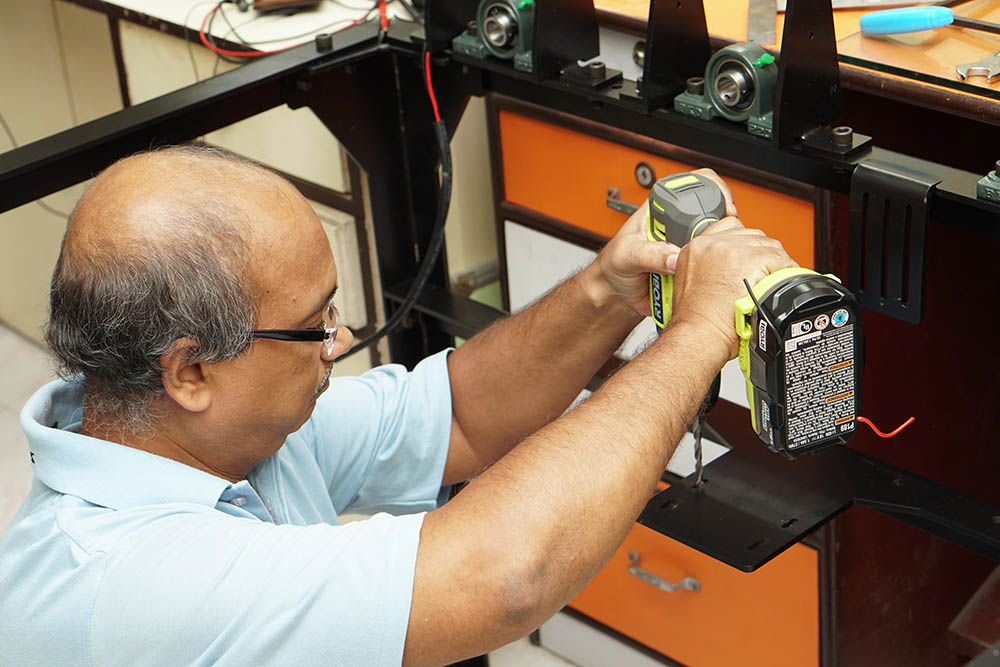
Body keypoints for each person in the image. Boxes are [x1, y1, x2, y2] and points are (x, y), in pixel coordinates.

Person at [0, 145, 795, 666]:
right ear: (190, 369)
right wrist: (697, 334)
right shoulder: (132, 587)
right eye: (313, 324)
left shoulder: (204, 433)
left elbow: (457, 414)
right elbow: (506, 574)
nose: (337, 341)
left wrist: (606, 289)